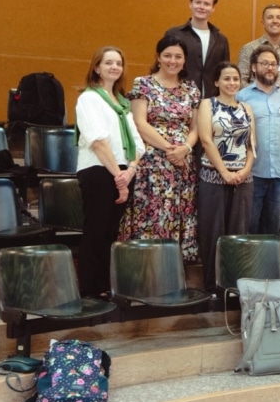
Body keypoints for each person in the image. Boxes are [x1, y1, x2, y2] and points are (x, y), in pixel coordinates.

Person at [120, 35, 200, 261]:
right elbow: (139, 123)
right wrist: (169, 149)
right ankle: (150, 266)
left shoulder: (191, 88)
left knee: (178, 211)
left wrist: (184, 148)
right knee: (154, 213)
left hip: (183, 163)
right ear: (158, 57)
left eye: (178, 56)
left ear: (184, 61)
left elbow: (195, 127)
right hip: (153, 162)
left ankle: (174, 267)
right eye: (167, 56)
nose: (172, 61)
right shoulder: (143, 84)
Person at [75, 46, 145, 298]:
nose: (114, 67)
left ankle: (104, 287)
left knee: (110, 232)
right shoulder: (89, 98)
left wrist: (131, 170)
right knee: (95, 230)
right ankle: (89, 291)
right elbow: (98, 141)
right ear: (96, 67)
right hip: (98, 171)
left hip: (123, 172)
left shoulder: (122, 104)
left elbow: (137, 143)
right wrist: (120, 177)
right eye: (108, 63)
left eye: (119, 63)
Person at [197, 62, 255, 291]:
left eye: (235, 79)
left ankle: (235, 284)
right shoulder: (206, 104)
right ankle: (213, 286)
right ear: (216, 82)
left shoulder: (247, 108)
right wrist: (224, 172)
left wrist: (244, 170)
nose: (232, 83)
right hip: (213, 177)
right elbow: (205, 140)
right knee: (213, 233)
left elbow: (252, 144)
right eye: (227, 78)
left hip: (243, 179)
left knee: (238, 233)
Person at [236, 45, 280, 236]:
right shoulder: (241, 96)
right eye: (265, 63)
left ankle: (269, 266)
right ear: (253, 67)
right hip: (252, 174)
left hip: (279, 174)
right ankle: (249, 266)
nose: (270, 68)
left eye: (274, 64)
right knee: (249, 227)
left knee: (273, 230)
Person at [165, 0, 229, 99]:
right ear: (190, 4)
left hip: (211, 101)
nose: (202, 7)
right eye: (198, 2)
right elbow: (164, 67)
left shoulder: (221, 40)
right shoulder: (174, 34)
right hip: (179, 99)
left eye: (207, 4)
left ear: (213, 8)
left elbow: (224, 73)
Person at [237, 3, 280, 102]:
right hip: (256, 107)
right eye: (270, 17)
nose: (275, 21)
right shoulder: (249, 49)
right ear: (263, 23)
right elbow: (240, 80)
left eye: (279, 18)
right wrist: (256, 96)